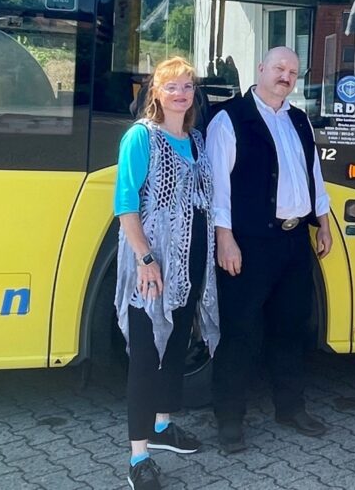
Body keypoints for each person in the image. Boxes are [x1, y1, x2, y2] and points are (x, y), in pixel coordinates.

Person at [206, 46, 333, 454]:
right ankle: (229, 421)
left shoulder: (298, 119)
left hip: (295, 242)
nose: (286, 76)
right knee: (240, 333)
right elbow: (218, 186)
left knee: (290, 329)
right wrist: (225, 238)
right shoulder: (230, 118)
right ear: (260, 69)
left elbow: (313, 174)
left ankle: (290, 408)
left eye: (293, 71)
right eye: (279, 68)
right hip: (248, 244)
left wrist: (324, 224)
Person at [113, 57, 220, 490]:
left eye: (187, 86)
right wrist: (145, 258)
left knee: (176, 344)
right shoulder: (141, 138)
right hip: (152, 264)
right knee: (145, 355)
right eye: (171, 86)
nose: (180, 93)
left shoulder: (196, 139)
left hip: (191, 263)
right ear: (155, 92)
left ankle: (162, 427)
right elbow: (126, 205)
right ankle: (138, 456)